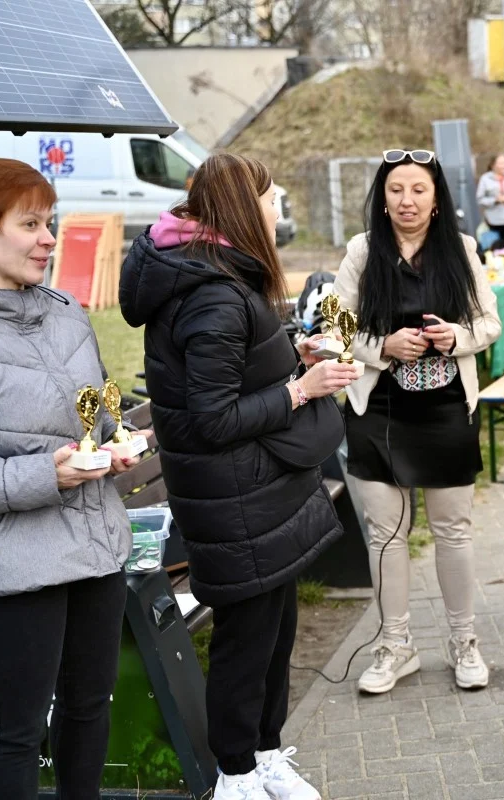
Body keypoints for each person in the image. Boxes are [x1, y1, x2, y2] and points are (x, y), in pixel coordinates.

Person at [120, 153, 355, 800]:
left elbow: (234, 366)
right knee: (246, 644)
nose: (279, 209)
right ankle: (237, 774)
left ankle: (267, 752)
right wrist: (302, 391)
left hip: (256, 493)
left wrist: (290, 352)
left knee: (275, 633)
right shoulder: (214, 294)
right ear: (245, 208)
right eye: (272, 198)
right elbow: (213, 417)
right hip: (234, 500)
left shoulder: (219, 275)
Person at [0, 158, 147, 799]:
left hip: (95, 552)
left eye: (51, 222)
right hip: (13, 566)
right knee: (18, 732)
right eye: (31, 224)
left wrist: (113, 445)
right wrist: (46, 475)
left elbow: (94, 414)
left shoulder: (66, 310)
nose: (50, 238)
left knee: (89, 710)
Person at [333, 148, 502, 696]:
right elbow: (336, 329)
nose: (407, 200)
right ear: (382, 199)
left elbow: (490, 323)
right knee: (386, 533)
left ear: (436, 200)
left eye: (418, 190)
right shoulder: (361, 253)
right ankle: (395, 645)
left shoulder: (463, 250)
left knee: (453, 529)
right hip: (377, 409)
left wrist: (457, 337)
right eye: (396, 190)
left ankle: (463, 641)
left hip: (447, 407)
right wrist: (382, 345)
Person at [476, 153, 504, 251]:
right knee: (497, 246)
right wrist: (495, 200)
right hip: (494, 220)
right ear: (493, 165)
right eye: (500, 163)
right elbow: (480, 199)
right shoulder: (485, 179)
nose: (503, 165)